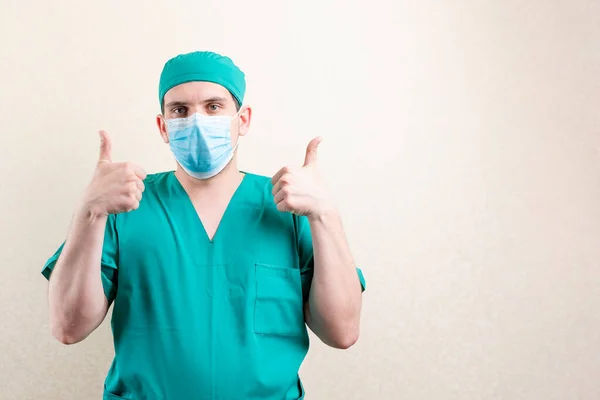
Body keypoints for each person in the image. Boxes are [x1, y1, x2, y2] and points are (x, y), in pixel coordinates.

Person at [42, 50, 366, 400]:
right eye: (180, 110)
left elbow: (342, 332)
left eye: (213, 107)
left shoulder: (288, 206)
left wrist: (325, 214)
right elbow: (68, 327)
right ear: (163, 126)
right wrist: (89, 211)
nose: (196, 121)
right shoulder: (125, 205)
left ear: (242, 120)